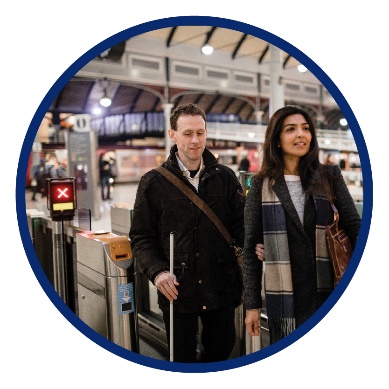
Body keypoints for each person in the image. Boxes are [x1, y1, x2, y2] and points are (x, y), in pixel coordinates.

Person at [129, 103, 245, 362]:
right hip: (177, 289)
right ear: (173, 134)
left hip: (221, 287)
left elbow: (241, 226)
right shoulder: (153, 182)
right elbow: (140, 237)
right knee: (180, 358)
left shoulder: (225, 178)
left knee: (221, 354)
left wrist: (254, 244)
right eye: (188, 133)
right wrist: (157, 272)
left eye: (200, 133)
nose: (195, 140)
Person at [242, 105, 361, 345]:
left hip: (329, 289)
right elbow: (250, 248)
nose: (301, 134)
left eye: (306, 129)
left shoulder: (329, 176)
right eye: (291, 129)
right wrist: (252, 304)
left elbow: (355, 227)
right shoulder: (261, 185)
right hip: (286, 297)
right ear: (276, 139)